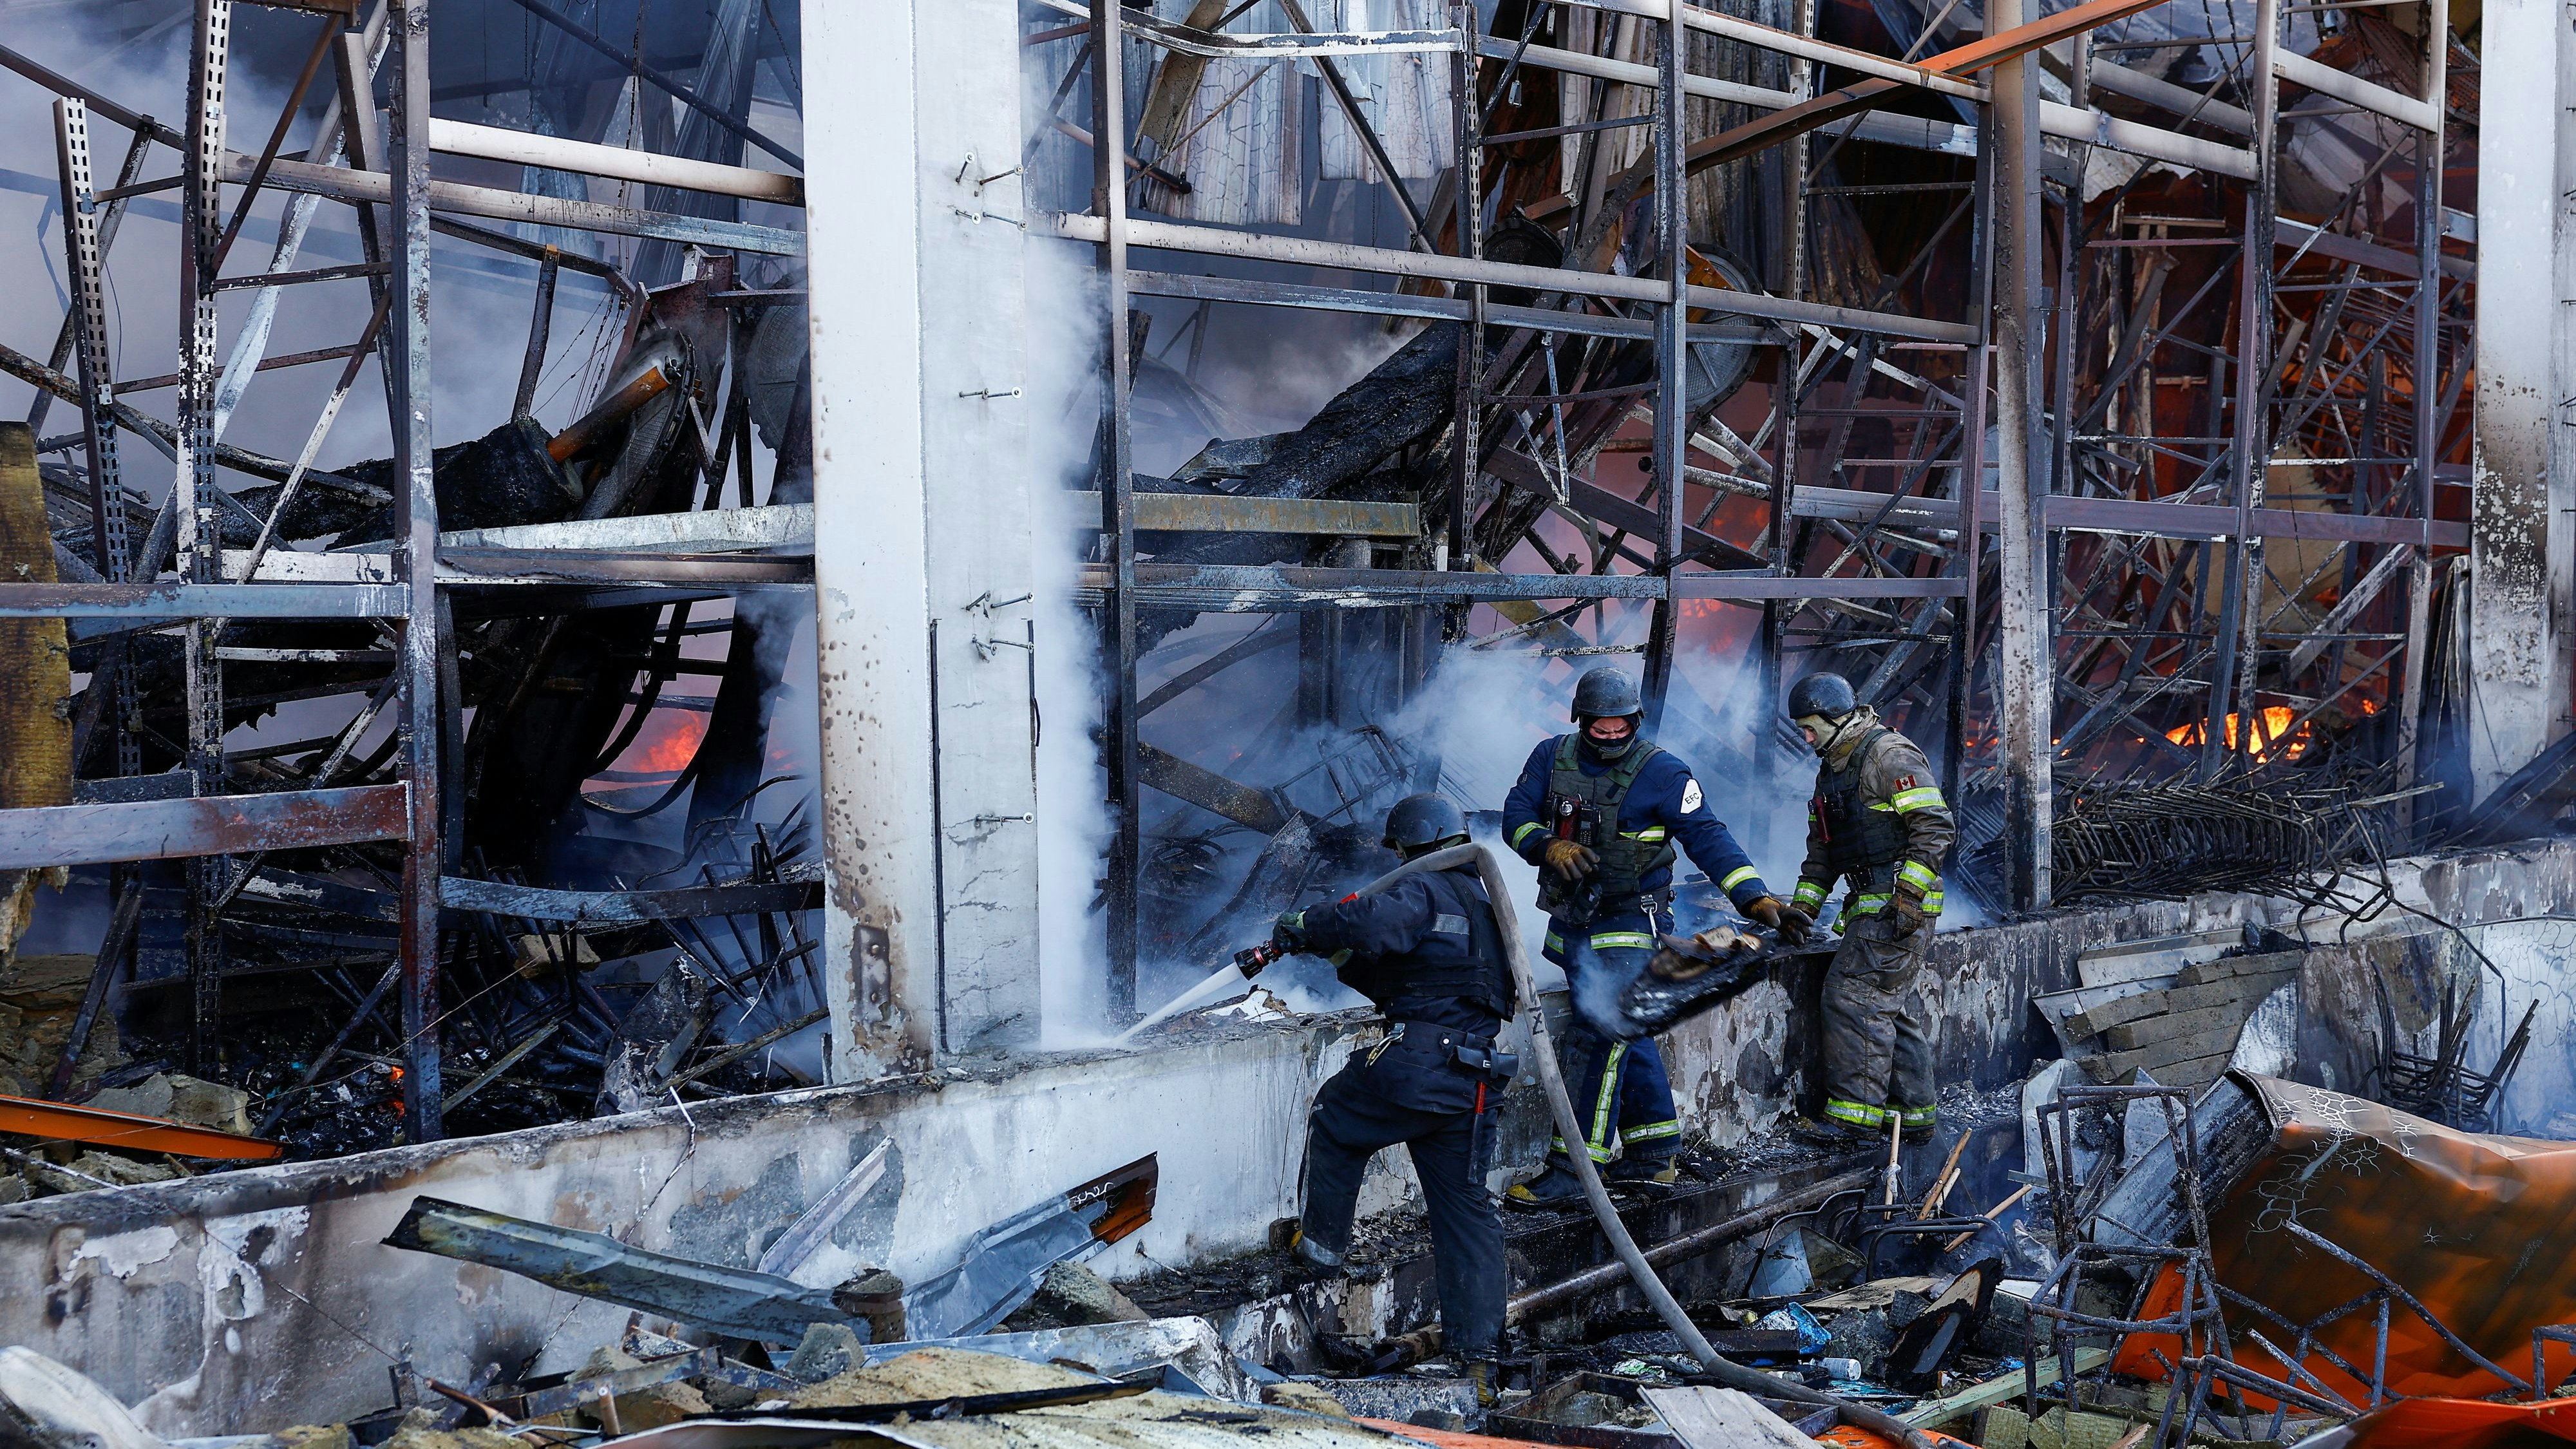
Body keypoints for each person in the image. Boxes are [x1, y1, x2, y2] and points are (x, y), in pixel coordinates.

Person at [1499, 666, 1795, 1205]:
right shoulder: (1550, 757)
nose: (1613, 736)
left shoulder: (1664, 773)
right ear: (1581, 720)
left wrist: (1753, 896)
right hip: (1573, 918)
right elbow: (1515, 815)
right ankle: (1653, 1156)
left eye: (1623, 727)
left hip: (1634, 921)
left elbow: (1707, 836)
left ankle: (1575, 1170)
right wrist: (1547, 845)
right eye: (1601, 728)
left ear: (1636, 721)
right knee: (1627, 1034)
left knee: (1601, 1031)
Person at [1272, 793, 1515, 1403]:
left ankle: (1320, 1249)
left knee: (1335, 1115)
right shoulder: (1485, 906)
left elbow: (1370, 921)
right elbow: (1417, 978)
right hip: (1473, 1077)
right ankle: (1480, 1364)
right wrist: (1339, 956)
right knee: (1466, 1213)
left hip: (1419, 1061)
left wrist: (1310, 925)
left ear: (1410, 846)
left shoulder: (1424, 887)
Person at [1778, 671, 1955, 1144]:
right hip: (1871, 905)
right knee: (1882, 1005)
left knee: (1852, 998)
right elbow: (1823, 852)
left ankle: (1853, 1120)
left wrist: (1908, 896)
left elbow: (1935, 826)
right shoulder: (1832, 769)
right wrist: (1802, 912)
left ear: (1837, 718)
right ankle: (1912, 1118)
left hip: (1897, 907)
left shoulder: (1888, 755)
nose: (1806, 738)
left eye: (1810, 728)